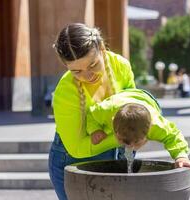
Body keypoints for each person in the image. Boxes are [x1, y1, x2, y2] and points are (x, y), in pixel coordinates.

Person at [49, 23, 136, 200]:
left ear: (102, 48)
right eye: (77, 71)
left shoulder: (120, 66)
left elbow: (134, 105)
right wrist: (123, 138)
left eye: (93, 64)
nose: (88, 75)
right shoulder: (65, 92)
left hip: (118, 153)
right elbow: (77, 148)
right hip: (73, 160)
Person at [87, 88, 190, 169]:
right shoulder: (105, 110)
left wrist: (181, 156)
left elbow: (173, 136)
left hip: (148, 100)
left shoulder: (157, 125)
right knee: (122, 151)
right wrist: (95, 129)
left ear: (148, 131)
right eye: (121, 139)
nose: (129, 146)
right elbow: (91, 114)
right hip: (122, 96)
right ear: (112, 121)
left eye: (136, 142)